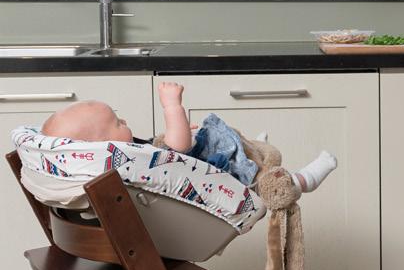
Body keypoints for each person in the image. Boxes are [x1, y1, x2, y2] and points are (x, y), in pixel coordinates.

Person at [41, 81, 337, 193]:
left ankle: (250, 151)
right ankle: (301, 181)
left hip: (196, 172)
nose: (125, 121)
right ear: (106, 145)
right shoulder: (136, 162)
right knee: (266, 184)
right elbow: (177, 147)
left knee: (209, 136)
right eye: (118, 122)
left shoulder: (123, 159)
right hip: (224, 183)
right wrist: (173, 107)